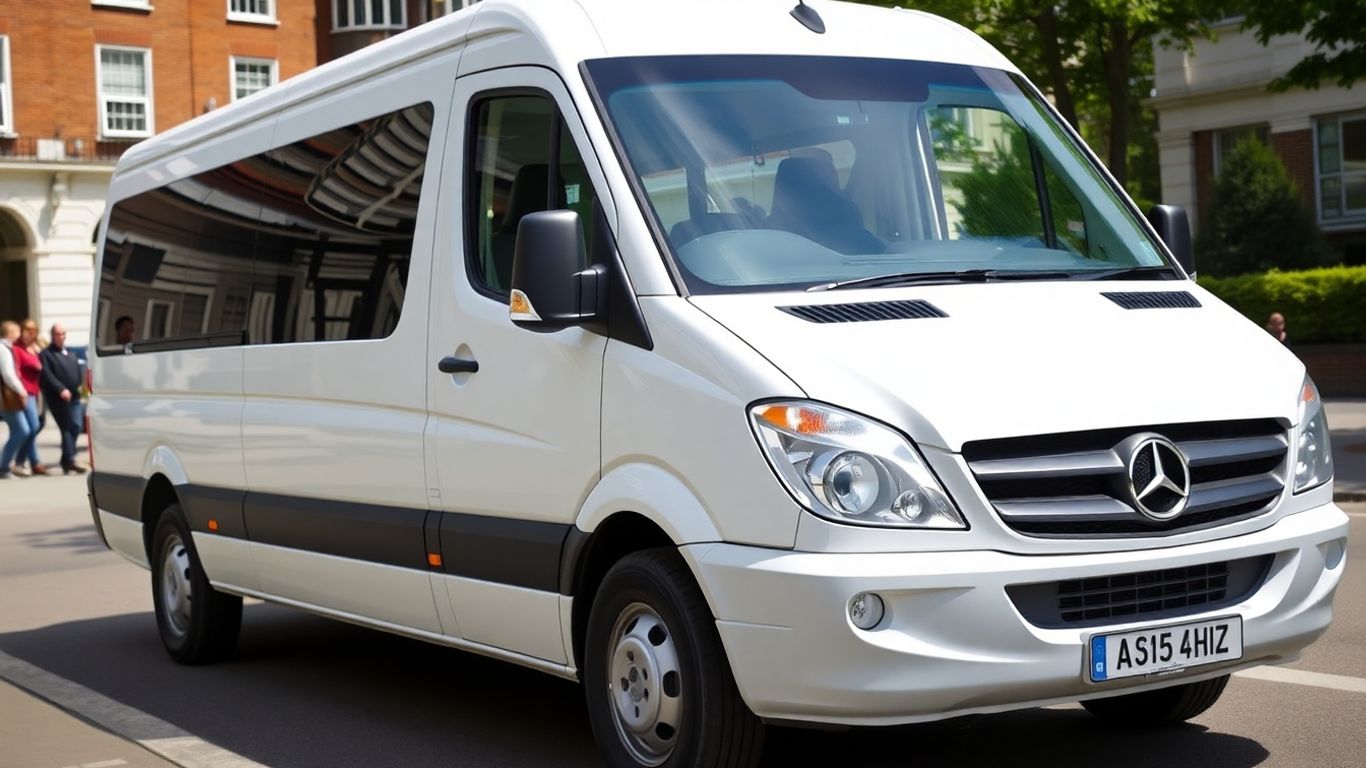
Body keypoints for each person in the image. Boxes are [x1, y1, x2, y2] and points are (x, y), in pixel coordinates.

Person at [39, 323, 87, 474]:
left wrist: (83, 388)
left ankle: (66, 458)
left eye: (62, 334)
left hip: (75, 395)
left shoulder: (70, 353)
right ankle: (70, 460)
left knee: (77, 426)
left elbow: (78, 372)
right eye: (57, 334)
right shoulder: (46, 354)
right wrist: (60, 388)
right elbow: (47, 375)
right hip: (58, 397)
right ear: (52, 336)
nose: (60, 337)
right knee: (67, 427)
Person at [10, 319, 47, 476]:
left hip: (36, 391)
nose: (29, 335)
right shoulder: (16, 349)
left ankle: (32, 462)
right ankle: (20, 461)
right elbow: (15, 371)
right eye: (27, 331)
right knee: (32, 427)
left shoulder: (34, 347)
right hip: (25, 392)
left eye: (33, 332)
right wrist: (20, 391)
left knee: (34, 427)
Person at [1, 322, 36, 479]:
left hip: (9, 397)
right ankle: (3, 466)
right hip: (7, 398)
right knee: (22, 430)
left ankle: (5, 465)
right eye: (16, 331)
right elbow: (8, 374)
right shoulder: (3, 349)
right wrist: (22, 391)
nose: (19, 334)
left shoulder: (8, 348)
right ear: (9, 333)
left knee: (21, 430)